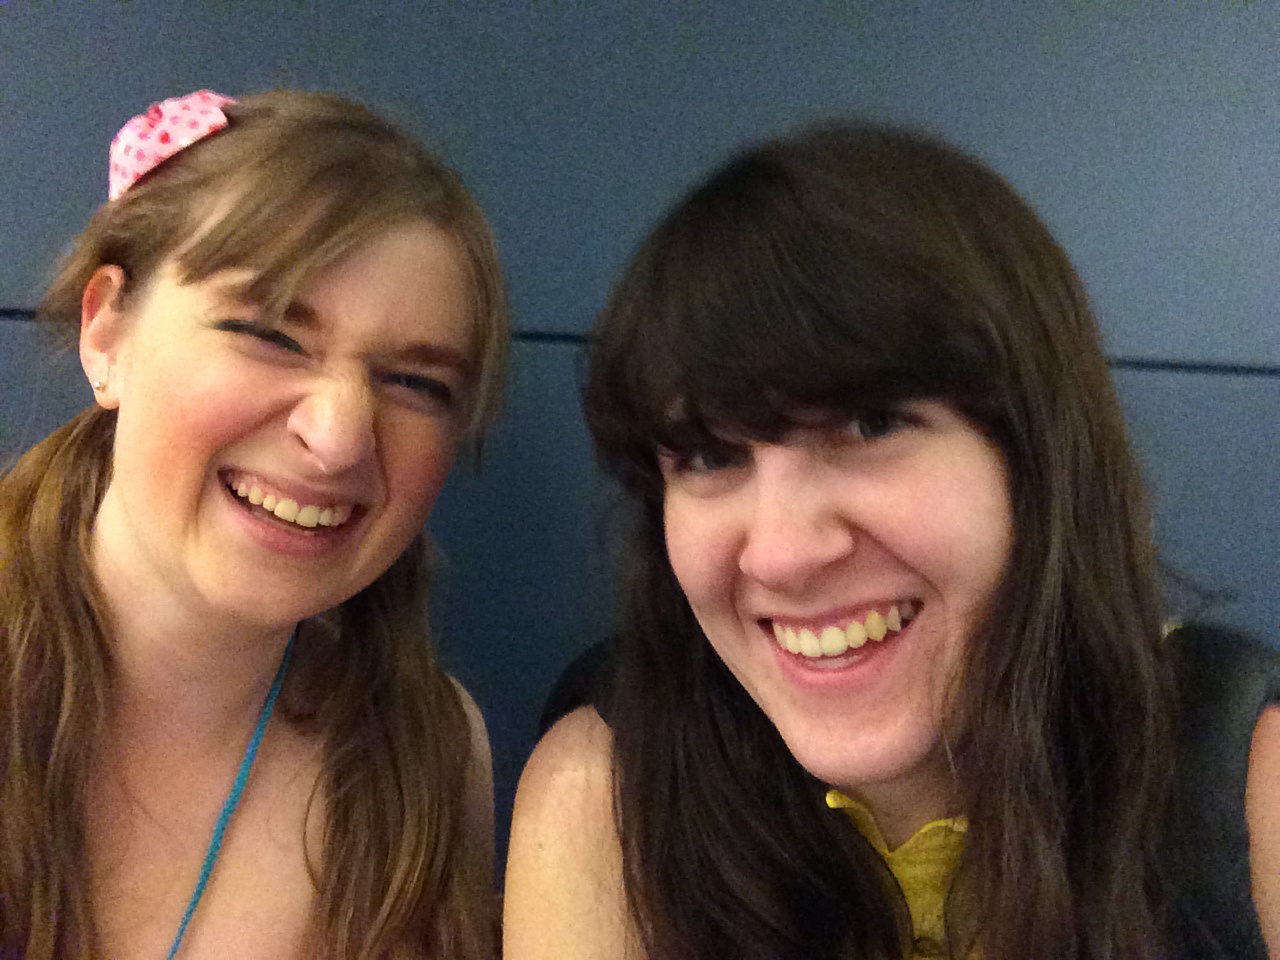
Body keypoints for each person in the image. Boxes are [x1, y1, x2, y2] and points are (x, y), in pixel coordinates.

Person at [503, 124, 1280, 959]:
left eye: (871, 424)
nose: (781, 553)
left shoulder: (1244, 786)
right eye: (709, 456)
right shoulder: (603, 796)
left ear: (1038, 460)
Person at [0, 89, 507, 959]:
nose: (339, 438)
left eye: (416, 384)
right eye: (269, 334)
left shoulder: (430, 754)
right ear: (107, 333)